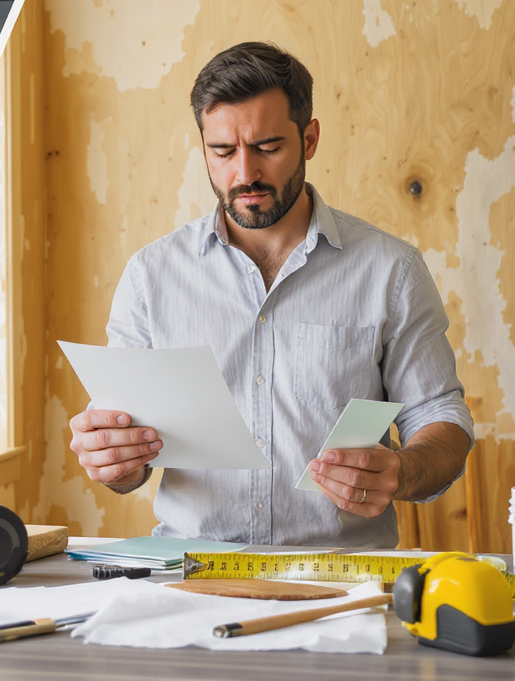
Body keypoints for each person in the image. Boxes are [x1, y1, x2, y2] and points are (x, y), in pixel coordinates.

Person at [67, 42, 473, 547]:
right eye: (223, 151)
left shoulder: (392, 270)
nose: (245, 174)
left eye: (267, 147)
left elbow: (439, 418)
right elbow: (128, 465)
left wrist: (403, 471)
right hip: (193, 577)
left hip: (338, 585)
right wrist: (115, 463)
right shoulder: (150, 277)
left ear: (310, 138)